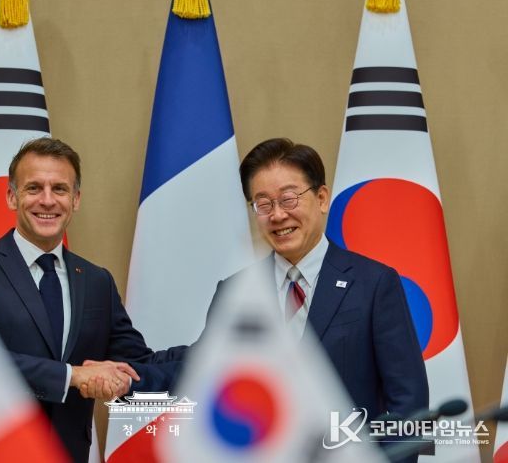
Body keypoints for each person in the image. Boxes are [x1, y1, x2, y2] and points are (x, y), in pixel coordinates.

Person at [153, 137, 429, 424]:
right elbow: (202, 370)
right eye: (263, 204)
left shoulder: (374, 283)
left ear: (321, 199)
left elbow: (409, 402)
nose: (277, 215)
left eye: (288, 199)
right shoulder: (236, 291)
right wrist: (130, 375)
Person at [0, 137, 169, 462]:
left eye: (59, 189)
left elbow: (137, 364)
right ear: (11, 196)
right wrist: (72, 376)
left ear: (75, 200)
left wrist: (210, 352)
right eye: (34, 188)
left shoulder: (97, 281)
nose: (47, 200)